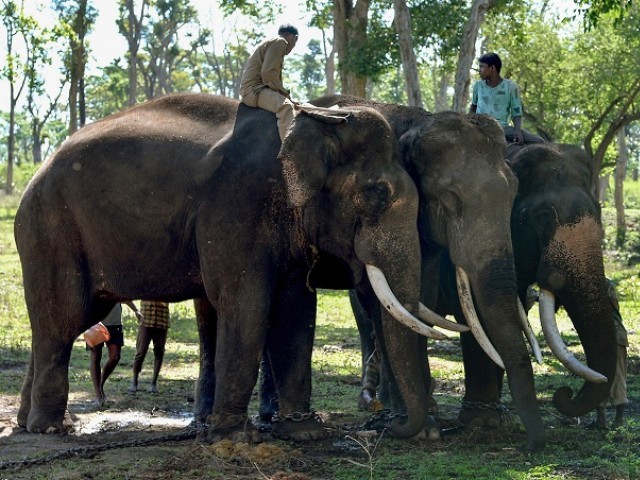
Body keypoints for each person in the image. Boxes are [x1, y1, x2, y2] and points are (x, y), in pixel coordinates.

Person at [239, 24, 299, 141]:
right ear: (292, 37)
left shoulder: (272, 42)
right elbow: (268, 73)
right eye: (295, 42)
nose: (293, 47)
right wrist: (285, 94)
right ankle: (290, 151)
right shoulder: (281, 42)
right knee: (286, 107)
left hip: (254, 89)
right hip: (254, 90)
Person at [470, 52, 544, 145]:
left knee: (539, 141)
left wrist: (517, 130)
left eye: (482, 67)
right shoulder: (478, 85)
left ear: (492, 68)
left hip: (502, 129)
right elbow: (473, 106)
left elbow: (516, 112)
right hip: (480, 127)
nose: (479, 70)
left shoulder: (511, 86)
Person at [87, 301, 141, 407]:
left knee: (115, 356)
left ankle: (100, 385)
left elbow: (124, 295)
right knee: (95, 356)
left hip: (114, 323)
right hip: (95, 323)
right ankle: (99, 396)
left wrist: (136, 310)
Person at [590, 279, 629, 429]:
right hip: (601, 336)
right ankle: (602, 420)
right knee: (597, 376)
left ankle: (618, 420)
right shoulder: (603, 284)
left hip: (613, 334)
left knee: (616, 375)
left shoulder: (604, 285)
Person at [129, 301, 171, 394]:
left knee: (159, 351)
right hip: (146, 320)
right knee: (141, 352)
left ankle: (154, 383)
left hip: (161, 320)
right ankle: (134, 381)